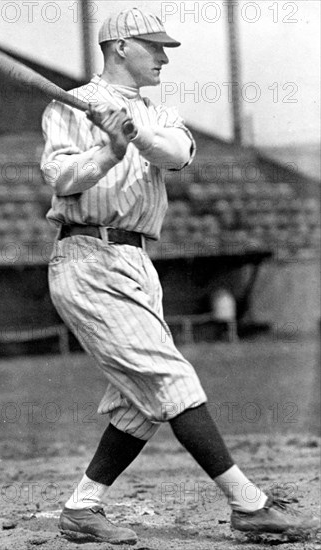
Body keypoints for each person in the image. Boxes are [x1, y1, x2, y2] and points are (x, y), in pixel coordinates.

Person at [40, 7, 319, 546]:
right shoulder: (67, 105)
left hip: (139, 261)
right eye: (155, 47)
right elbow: (61, 176)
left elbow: (178, 152)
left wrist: (135, 134)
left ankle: (83, 506)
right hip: (87, 256)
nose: (165, 57)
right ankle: (247, 503)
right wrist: (108, 151)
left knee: (141, 399)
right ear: (121, 47)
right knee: (172, 380)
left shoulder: (158, 114)